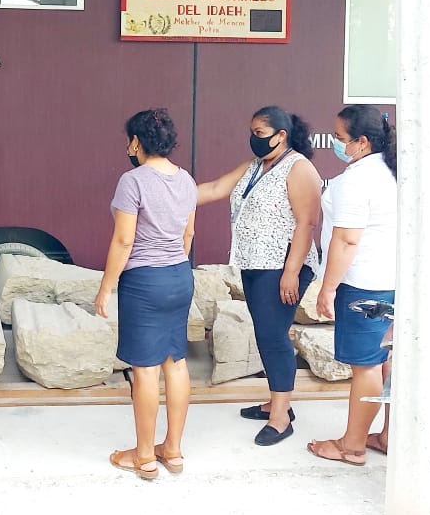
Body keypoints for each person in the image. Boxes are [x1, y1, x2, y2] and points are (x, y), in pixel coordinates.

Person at [197, 106, 321, 445]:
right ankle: (276, 402)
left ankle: (281, 418)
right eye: (251, 132)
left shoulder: (299, 168)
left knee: (272, 336)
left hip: (282, 266)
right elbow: (215, 187)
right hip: (254, 264)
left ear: (281, 135)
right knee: (268, 333)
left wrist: (291, 273)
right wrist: (166, 192)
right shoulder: (254, 166)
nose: (254, 139)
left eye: (260, 133)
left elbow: (306, 222)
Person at [94, 109, 197, 479]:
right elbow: (188, 235)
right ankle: (173, 450)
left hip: (144, 282)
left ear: (137, 142)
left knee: (146, 370)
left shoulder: (132, 180)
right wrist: (174, 267)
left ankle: (143, 456)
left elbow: (124, 240)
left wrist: (105, 287)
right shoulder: (186, 180)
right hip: (179, 276)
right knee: (176, 362)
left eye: (129, 140)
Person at [307, 104, 398, 465]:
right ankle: (389, 436)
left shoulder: (356, 181)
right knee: (388, 360)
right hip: (393, 281)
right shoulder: (392, 173)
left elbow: (346, 240)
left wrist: (328, 288)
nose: (335, 144)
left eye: (340, 138)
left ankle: (352, 446)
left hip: (365, 286)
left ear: (361, 142)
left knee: (367, 366)